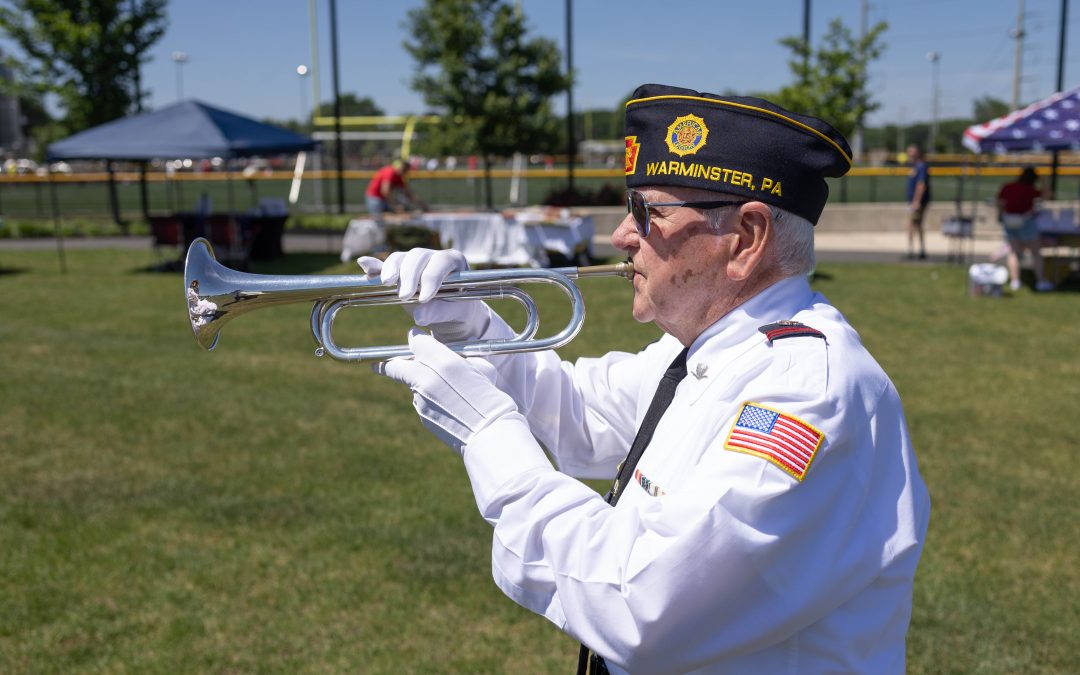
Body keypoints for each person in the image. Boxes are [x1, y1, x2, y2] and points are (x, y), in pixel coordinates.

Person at [360, 84, 930, 674]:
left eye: (647, 213)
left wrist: (489, 438)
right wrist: (474, 324)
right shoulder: (713, 352)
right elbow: (580, 414)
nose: (622, 236)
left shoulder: (807, 390)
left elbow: (642, 605)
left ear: (747, 239)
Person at [997, 167, 1053, 292]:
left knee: (1014, 253)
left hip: (1009, 221)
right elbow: (1048, 195)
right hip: (1026, 221)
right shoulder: (1030, 189)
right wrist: (1044, 181)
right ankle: (1041, 281)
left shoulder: (1008, 186)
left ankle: (1015, 281)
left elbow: (1000, 203)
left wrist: (1004, 216)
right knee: (1035, 252)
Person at [905, 144, 931, 260]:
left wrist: (916, 201)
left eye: (912, 152)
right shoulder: (915, 166)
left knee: (912, 224)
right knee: (918, 225)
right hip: (914, 202)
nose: (910, 154)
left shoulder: (921, 166)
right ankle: (921, 250)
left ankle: (912, 250)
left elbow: (921, 185)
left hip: (918, 203)